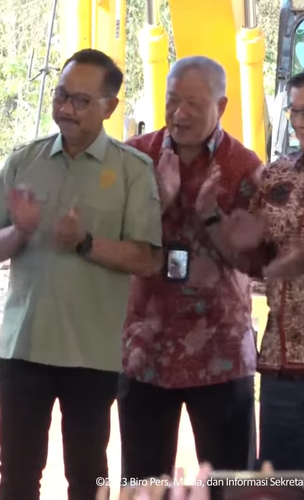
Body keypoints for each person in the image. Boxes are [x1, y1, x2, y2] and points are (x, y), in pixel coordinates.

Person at [0, 49, 163, 500]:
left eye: (80, 101)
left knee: (87, 476)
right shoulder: (25, 161)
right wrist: (19, 231)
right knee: (17, 477)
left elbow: (147, 259)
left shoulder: (132, 171)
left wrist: (86, 242)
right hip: (23, 348)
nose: (64, 108)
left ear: (110, 107)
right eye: (61, 96)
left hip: (92, 355)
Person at [118, 56, 264, 482]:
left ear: (222, 104)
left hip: (220, 352)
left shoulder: (243, 166)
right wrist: (156, 203)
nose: (179, 113)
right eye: (171, 100)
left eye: (193, 104)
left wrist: (212, 219)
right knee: (145, 483)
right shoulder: (135, 156)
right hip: (146, 347)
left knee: (229, 482)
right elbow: (112, 238)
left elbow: (255, 264)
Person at [216, 71, 304, 471]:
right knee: (280, 480)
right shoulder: (276, 177)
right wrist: (226, 235)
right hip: (282, 366)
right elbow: (254, 261)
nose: (300, 121)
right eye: (295, 111)